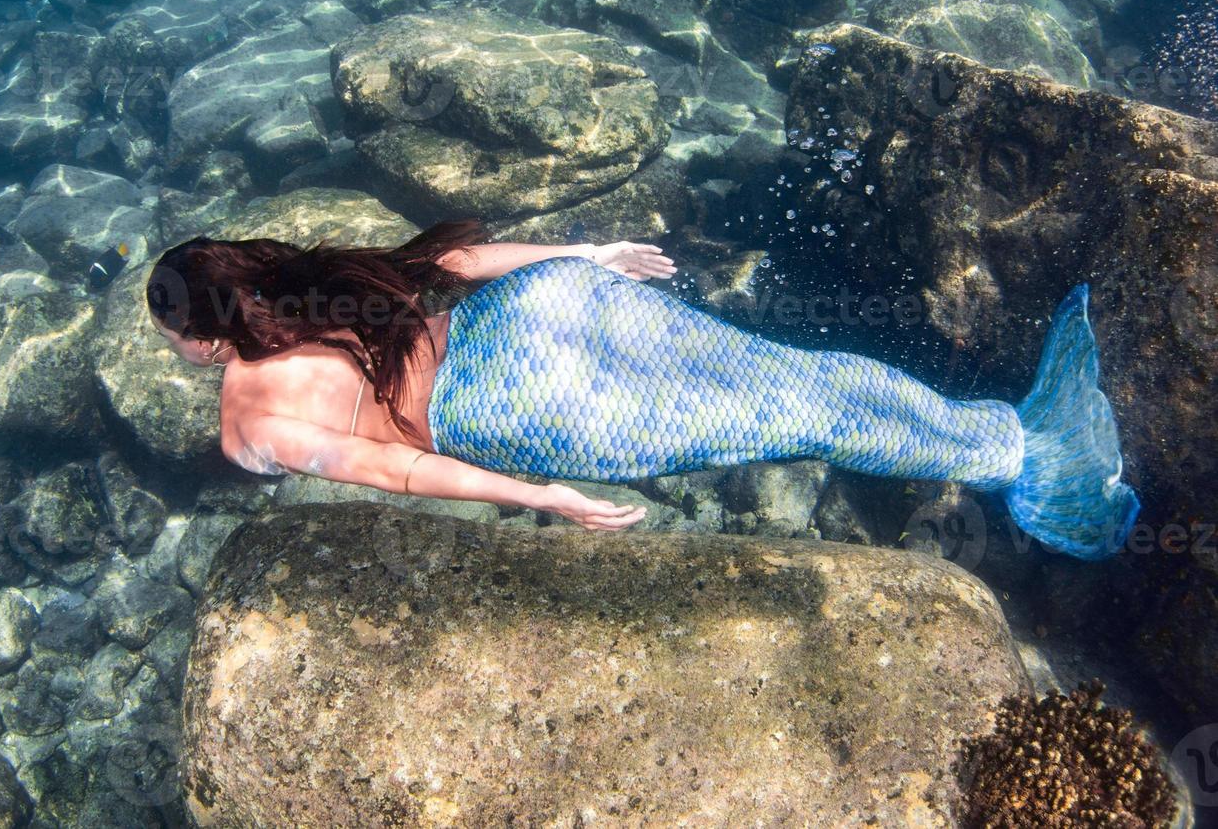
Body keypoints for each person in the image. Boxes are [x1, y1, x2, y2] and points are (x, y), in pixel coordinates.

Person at [148, 219, 1139, 558]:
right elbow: (454, 255)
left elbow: (399, 471)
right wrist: (589, 248)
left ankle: (1020, 459)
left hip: (526, 405)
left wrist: (545, 495)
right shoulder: (292, 284)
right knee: (801, 373)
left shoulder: (252, 428)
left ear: (197, 342)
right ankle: (1012, 423)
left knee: (802, 415)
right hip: (542, 307)